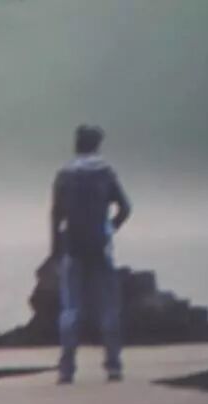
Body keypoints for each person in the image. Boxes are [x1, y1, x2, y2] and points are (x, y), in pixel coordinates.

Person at [51, 125, 131, 384]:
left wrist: (55, 250)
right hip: (100, 247)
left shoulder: (64, 175)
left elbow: (56, 215)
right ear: (97, 145)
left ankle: (67, 369)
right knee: (108, 307)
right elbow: (125, 207)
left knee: (70, 310)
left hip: (72, 248)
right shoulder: (105, 173)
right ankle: (113, 366)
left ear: (77, 144)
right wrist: (110, 228)